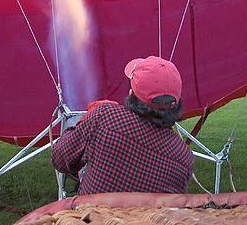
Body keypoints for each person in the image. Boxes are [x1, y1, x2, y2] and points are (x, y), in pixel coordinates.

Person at [51, 56, 194, 195]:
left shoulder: (105, 117)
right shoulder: (184, 158)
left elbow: (60, 159)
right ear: (176, 103)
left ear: (132, 93)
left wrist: (86, 121)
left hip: (90, 217)